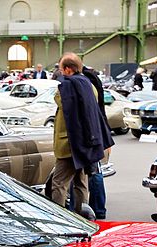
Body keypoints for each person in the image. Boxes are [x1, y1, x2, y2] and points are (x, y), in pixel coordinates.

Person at [51, 53, 114, 217]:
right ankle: (81, 216)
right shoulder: (89, 85)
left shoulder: (68, 86)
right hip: (86, 143)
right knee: (81, 182)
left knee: (59, 183)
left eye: (61, 69)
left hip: (69, 145)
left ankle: (59, 220)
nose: (60, 73)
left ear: (68, 69)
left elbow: (61, 103)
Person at [82, 65, 111, 219]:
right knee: (95, 171)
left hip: (91, 133)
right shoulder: (92, 78)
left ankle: (98, 209)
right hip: (97, 131)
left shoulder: (85, 81)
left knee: (93, 172)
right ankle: (98, 208)